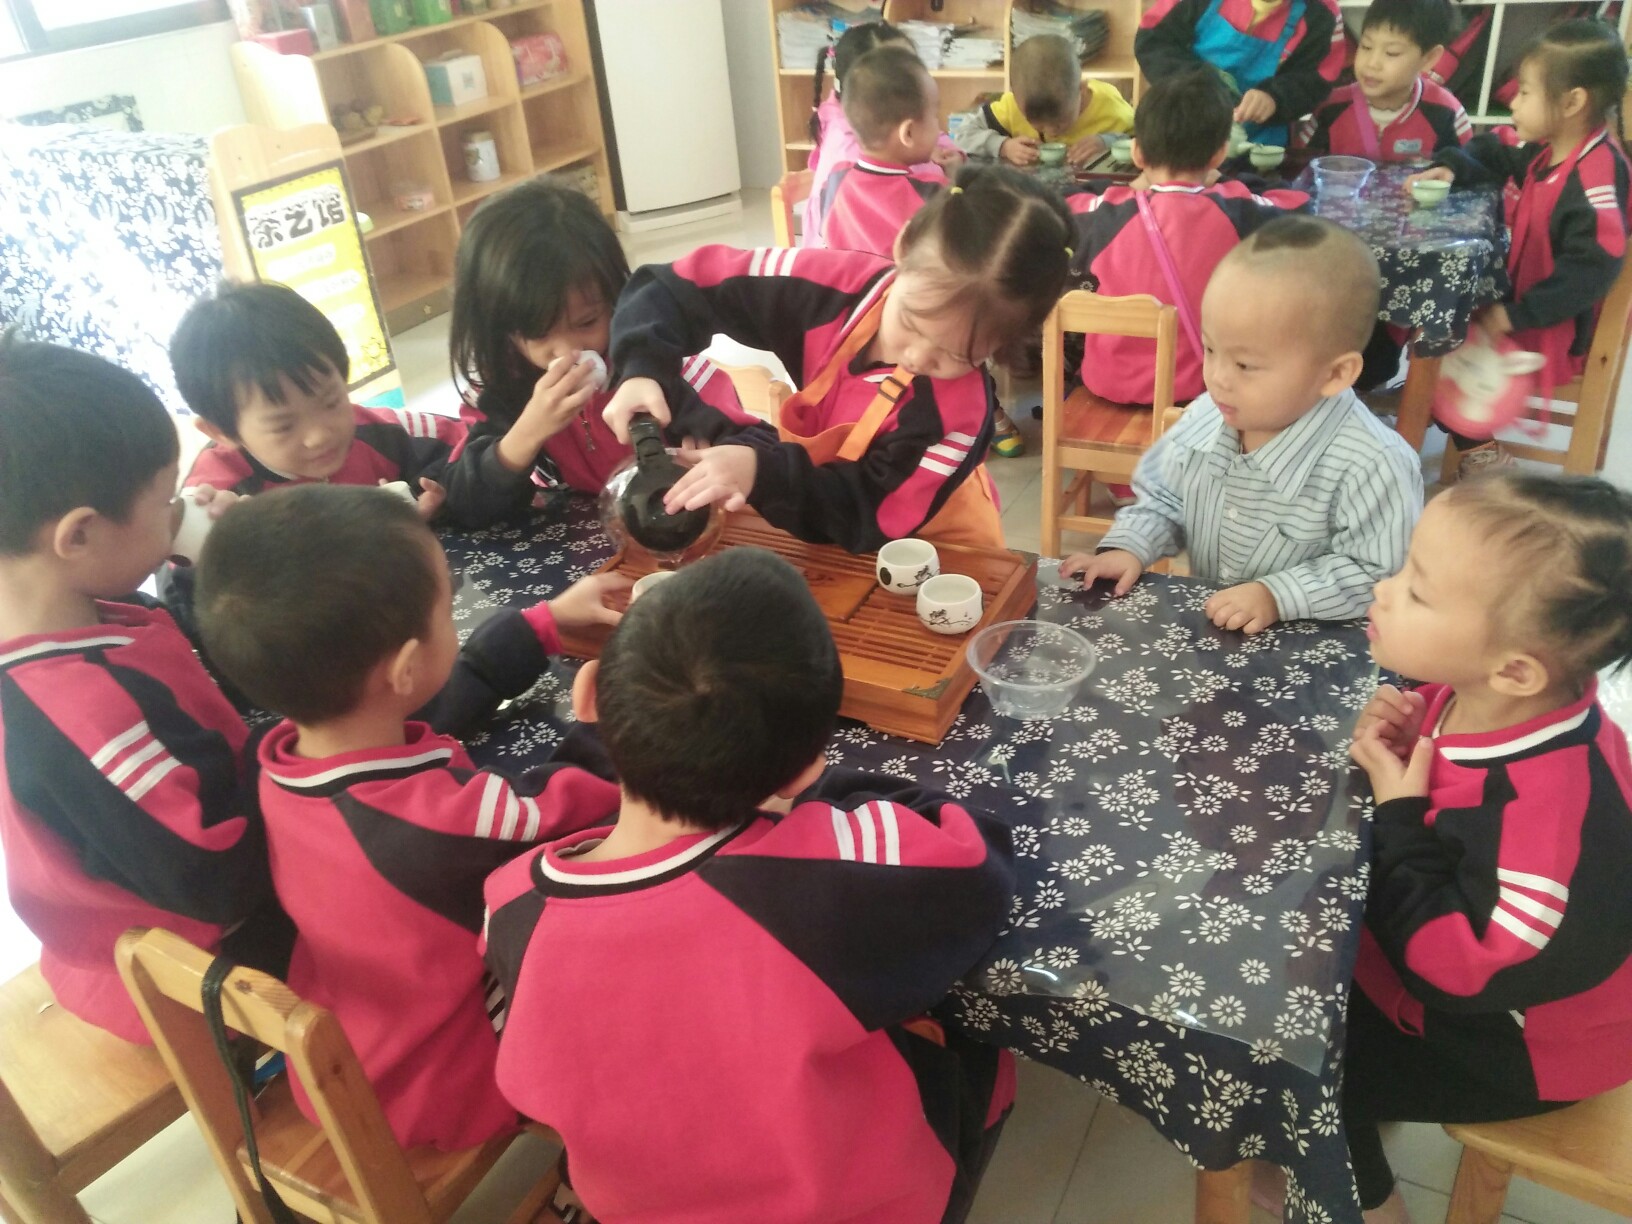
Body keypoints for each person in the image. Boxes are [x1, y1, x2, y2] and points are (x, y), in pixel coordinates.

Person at [484, 547, 1016, 1224]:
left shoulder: (511, 901)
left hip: (641, 1205)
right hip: (847, 1205)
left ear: (586, 697)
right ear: (801, 773)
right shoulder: (805, 876)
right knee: (979, 1046)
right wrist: (823, 789)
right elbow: (975, 861)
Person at [192, 484, 629, 1152]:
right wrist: (604, 728)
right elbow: (569, 811)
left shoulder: (277, 762)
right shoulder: (439, 821)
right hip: (447, 1082)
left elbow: (433, 705)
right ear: (401, 669)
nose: (455, 621)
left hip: (354, 1058)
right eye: (448, 611)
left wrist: (539, 626)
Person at [1347, 471, 1632, 1224]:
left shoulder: (1549, 816)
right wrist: (1413, 726)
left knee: (1308, 1069)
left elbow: (1457, 972)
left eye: (1416, 590)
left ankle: (1371, 1208)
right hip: (1477, 978)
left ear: (1513, 669)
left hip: (1529, 1048)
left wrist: (1399, 815)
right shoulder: (1497, 696)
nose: (1383, 589)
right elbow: (1453, 739)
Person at [0, 336, 280, 1044]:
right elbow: (218, 876)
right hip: (193, 969)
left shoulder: (79, 610)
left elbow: (176, 677)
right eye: (164, 501)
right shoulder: (82, 715)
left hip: (156, 899)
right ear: (79, 535)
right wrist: (293, 754)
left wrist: (207, 568)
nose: (179, 510)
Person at [603, 165, 1073, 553]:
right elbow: (674, 287)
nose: (917, 356)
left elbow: (865, 512)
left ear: (1001, 346)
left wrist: (762, 471)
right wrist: (642, 368)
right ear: (904, 246)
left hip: (934, 548)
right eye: (911, 321)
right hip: (820, 519)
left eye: (954, 355)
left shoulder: (958, 415)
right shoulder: (828, 287)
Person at [1061, 216, 1422, 634]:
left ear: (1335, 374)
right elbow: (1165, 499)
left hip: (1313, 655)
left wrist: (1277, 595)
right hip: (1220, 636)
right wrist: (1131, 547)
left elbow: (1378, 571)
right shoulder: (1208, 413)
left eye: (1245, 365)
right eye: (1211, 349)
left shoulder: (1376, 464)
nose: (1218, 378)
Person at [447, 177, 753, 505]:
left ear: (616, 297)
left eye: (587, 322)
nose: (568, 351)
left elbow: (753, 449)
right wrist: (527, 433)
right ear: (501, 329)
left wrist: (722, 461)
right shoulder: (500, 387)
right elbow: (463, 498)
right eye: (538, 333)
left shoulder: (663, 368)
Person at [1411, 19, 1630, 477]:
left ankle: (1476, 447)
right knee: (1442, 321)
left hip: (1552, 328)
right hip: (1524, 304)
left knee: (1441, 337)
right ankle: (1427, 403)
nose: (1512, 101)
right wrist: (1452, 167)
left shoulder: (1593, 177)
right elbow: (1496, 149)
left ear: (1572, 102)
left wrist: (1518, 315)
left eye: (1525, 92)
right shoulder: (1552, 146)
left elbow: (1593, 268)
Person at [1067, 69, 1307, 409]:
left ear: (1137, 154)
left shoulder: (1109, 212)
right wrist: (1226, 181)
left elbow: (1056, 205)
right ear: (1219, 154)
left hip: (1109, 385)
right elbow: (1299, 205)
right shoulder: (1234, 208)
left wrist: (1123, 188)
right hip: (1199, 393)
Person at [170, 281, 489, 521]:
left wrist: (431, 498)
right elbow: (184, 579)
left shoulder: (382, 432)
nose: (320, 435)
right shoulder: (216, 500)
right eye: (283, 425)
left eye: (331, 402)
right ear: (221, 431)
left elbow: (476, 445)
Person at [804, 21, 964, 251]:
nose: (911, 78)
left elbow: (936, 137)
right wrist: (956, 177)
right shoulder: (929, 191)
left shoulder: (861, 147)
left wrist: (949, 153)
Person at [1136, 0, 1344, 147]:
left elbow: (1318, 79)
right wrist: (1197, 87)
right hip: (1186, 128)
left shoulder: (1322, 13)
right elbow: (1153, 41)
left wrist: (1274, 97)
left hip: (1261, 143)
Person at [1304, 0, 1469, 162]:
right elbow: (1302, 167)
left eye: (1392, 53)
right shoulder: (1330, 109)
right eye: (1366, 46)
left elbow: (1465, 169)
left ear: (1429, 58)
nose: (1372, 63)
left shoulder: (1447, 114)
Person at [952, 34, 1134, 169]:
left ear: (1082, 89)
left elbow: (1142, 141)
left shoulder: (1110, 106)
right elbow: (962, 134)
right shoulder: (1011, 106)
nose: (1051, 132)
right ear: (1015, 97)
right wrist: (1003, 146)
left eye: (1061, 122)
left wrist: (1106, 142)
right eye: (1038, 127)